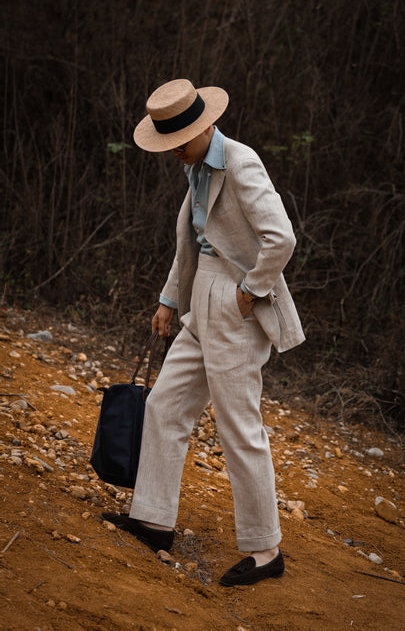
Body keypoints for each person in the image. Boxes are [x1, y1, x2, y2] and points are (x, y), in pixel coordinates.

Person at [102, 78, 305, 586]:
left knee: (240, 428)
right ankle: (153, 520)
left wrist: (250, 291)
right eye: (167, 143)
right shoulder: (196, 167)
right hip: (200, 300)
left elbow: (281, 237)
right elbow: (192, 241)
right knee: (164, 405)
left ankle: (265, 551)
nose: (173, 152)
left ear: (205, 125)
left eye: (179, 141)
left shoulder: (239, 162)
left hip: (234, 306)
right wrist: (169, 302)